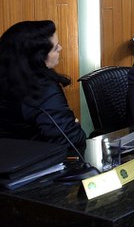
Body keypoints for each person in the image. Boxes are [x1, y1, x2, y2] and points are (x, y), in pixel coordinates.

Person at [0, 20, 86, 150]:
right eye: (56, 47)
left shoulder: (7, 79)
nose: (60, 48)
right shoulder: (42, 88)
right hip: (36, 159)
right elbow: (72, 141)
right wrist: (75, 125)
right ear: (39, 57)